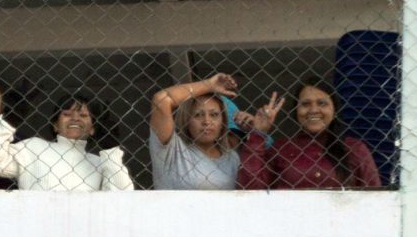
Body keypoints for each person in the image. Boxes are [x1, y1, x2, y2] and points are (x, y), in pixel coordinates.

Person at [237, 77, 381, 189]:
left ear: (334, 110)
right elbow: (249, 189)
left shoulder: (354, 148)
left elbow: (376, 198)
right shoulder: (280, 149)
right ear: (296, 111)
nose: (313, 110)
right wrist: (258, 135)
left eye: (322, 103)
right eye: (305, 104)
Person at [0, 92, 134, 191]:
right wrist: (9, 122)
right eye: (67, 113)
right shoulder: (34, 147)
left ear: (93, 128)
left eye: (84, 116)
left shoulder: (100, 163)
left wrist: (110, 149)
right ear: (55, 125)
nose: (75, 118)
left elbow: (123, 195)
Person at [149, 73, 240, 190]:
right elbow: (161, 100)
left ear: (223, 121)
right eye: (198, 115)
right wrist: (208, 85)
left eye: (214, 115)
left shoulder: (232, 158)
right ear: (187, 120)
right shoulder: (172, 150)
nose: (207, 121)